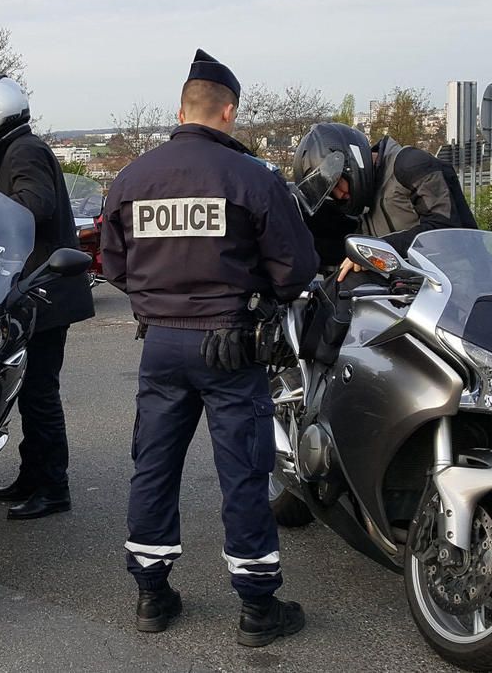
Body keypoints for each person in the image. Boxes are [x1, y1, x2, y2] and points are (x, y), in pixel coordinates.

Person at [100, 50, 318, 648]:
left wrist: (159, 301)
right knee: (244, 475)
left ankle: (151, 596)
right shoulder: (252, 178)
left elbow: (113, 263)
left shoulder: (132, 178)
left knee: (154, 467)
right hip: (232, 344)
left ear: (180, 110)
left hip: (161, 345)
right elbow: (295, 269)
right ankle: (256, 608)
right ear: (229, 111)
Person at [0, 74, 95, 520]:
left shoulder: (24, 150)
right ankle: (33, 476)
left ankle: (53, 486)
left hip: (43, 295)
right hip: (27, 295)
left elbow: (34, 204)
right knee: (25, 393)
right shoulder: (8, 151)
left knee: (40, 394)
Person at [292, 123, 476, 276]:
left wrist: (375, 250)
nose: (339, 195)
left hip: (460, 287)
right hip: (415, 291)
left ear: (351, 164)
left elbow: (445, 229)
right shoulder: (365, 200)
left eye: (336, 184)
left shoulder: (410, 164)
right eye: (330, 193)